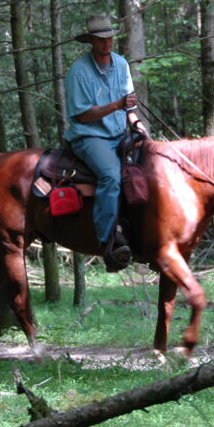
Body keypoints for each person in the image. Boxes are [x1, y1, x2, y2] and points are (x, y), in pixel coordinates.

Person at [64, 14, 149, 272]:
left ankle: (144, 235)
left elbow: (129, 104)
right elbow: (81, 114)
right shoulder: (79, 71)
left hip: (118, 132)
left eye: (110, 37)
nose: (107, 42)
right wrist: (117, 106)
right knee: (111, 176)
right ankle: (107, 241)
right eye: (101, 39)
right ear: (91, 41)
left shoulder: (121, 65)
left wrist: (136, 122)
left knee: (151, 167)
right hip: (89, 136)